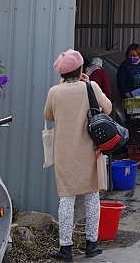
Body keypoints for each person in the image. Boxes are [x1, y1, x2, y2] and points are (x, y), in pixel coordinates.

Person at [44, 49, 113, 261]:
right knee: (92, 198)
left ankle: (65, 249)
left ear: (62, 73)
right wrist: (90, 85)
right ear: (81, 69)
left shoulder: (54, 92)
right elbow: (108, 108)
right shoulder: (90, 86)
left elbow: (49, 115)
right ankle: (91, 245)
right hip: (90, 151)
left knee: (66, 200)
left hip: (65, 152)